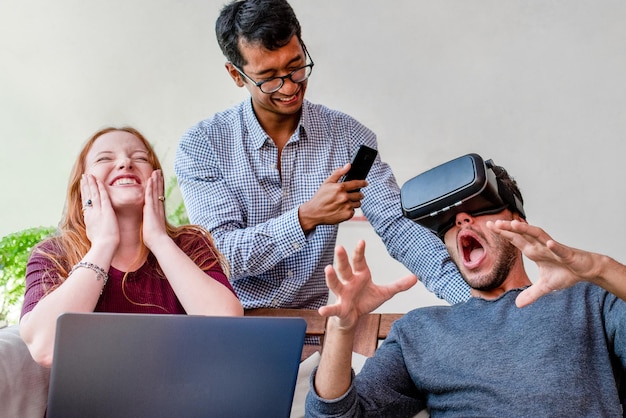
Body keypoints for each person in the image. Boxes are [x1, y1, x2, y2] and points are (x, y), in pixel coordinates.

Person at [174, 0, 470, 311]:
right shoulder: (203, 145)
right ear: (236, 75)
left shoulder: (348, 137)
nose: (289, 87)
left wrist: (470, 302)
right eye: (269, 77)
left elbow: (398, 226)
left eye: (296, 66)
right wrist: (306, 217)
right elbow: (222, 255)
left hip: (312, 333)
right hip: (231, 327)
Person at [306, 160, 626, 417]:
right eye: (444, 220)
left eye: (478, 207)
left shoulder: (591, 300)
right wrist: (342, 326)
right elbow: (334, 415)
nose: (461, 220)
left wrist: (600, 269)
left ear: (517, 220)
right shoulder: (419, 332)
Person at [20, 127, 243, 368]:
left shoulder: (190, 245)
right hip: (89, 405)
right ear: (81, 186)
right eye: (105, 158)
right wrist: (103, 245)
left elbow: (228, 330)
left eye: (140, 157)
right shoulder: (53, 254)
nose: (126, 163)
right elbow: (45, 349)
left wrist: (158, 239)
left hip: (185, 401)